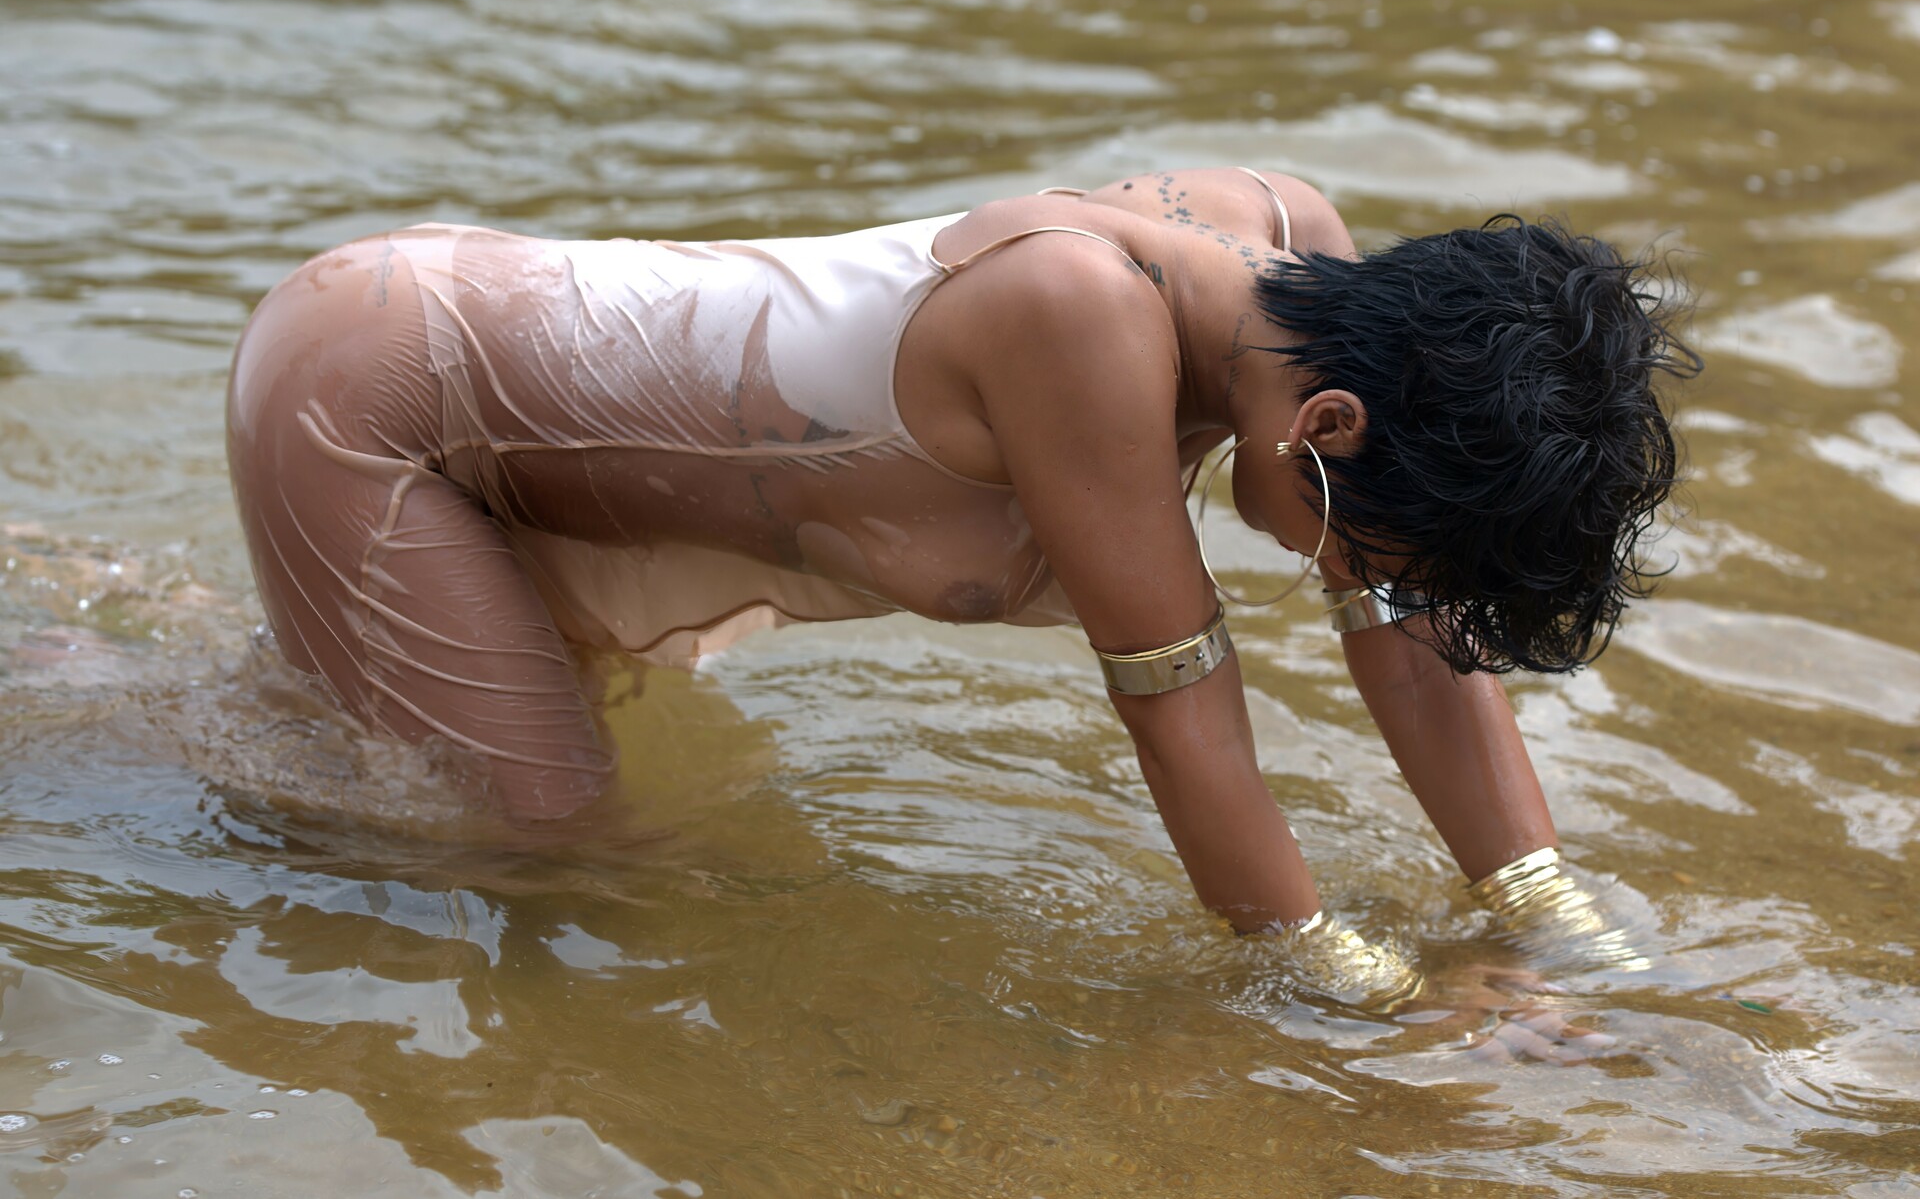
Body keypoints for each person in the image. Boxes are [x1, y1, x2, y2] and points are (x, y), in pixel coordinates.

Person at [226, 165, 1696, 978]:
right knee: (547, 865)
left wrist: (1554, 922)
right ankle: (130, 758)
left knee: (462, 756)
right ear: (1326, 430)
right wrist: (1346, 989)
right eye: (1366, 547)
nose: (1356, 580)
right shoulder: (1080, 319)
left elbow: (1414, 642)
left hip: (531, 418)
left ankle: (238, 669)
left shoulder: (1300, 249)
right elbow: (1185, 714)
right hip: (378, 389)